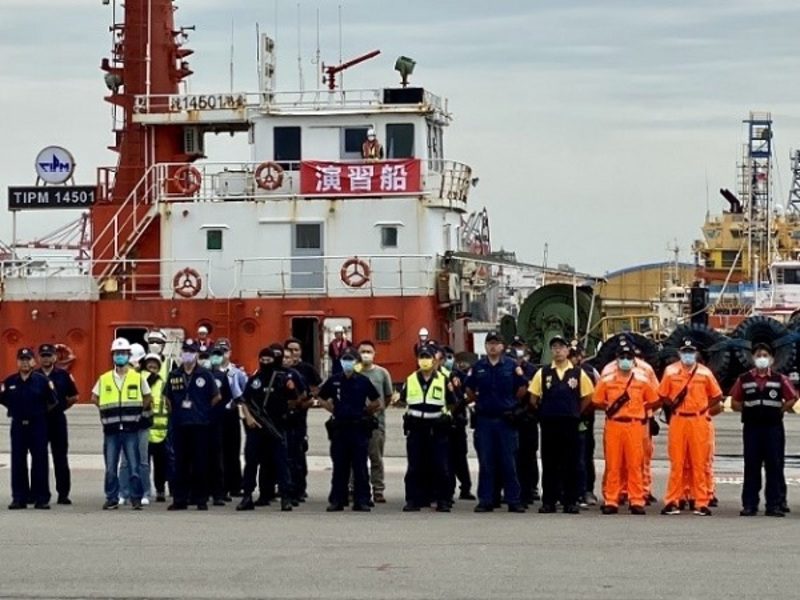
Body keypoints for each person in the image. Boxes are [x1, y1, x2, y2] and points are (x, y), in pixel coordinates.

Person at [528, 335, 594, 514]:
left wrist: (576, 411)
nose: (558, 350)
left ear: (567, 350)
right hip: (549, 423)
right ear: (551, 351)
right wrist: (542, 412)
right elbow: (533, 397)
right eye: (554, 347)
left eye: (561, 347)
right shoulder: (543, 373)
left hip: (570, 422)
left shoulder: (578, 373)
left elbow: (588, 396)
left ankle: (570, 501)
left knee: (570, 463)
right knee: (550, 463)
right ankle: (549, 500)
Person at [730, 342, 798, 516]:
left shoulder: (779, 378)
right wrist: (749, 409)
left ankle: (774, 505)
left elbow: (792, 398)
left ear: (772, 359)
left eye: (765, 355)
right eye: (758, 355)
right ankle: (750, 505)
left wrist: (779, 410)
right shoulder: (744, 379)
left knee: (774, 467)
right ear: (753, 358)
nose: (762, 358)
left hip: (773, 428)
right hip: (752, 428)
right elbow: (734, 402)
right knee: (751, 466)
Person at [465, 331, 528, 513]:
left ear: (502, 346)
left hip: (505, 420)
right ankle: (486, 499)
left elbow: (522, 388)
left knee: (509, 461)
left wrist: (511, 404)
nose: (492, 346)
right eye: (489, 343)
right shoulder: (478, 367)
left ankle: (513, 499)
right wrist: (479, 402)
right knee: (486, 461)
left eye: (496, 343)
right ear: (485, 346)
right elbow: (470, 389)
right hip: (485, 420)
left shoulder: (511, 366)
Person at [592, 342, 659, 515]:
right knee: (613, 464)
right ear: (616, 359)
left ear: (634, 361)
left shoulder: (643, 381)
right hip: (614, 424)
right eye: (622, 357)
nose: (625, 360)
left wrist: (641, 410)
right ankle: (611, 500)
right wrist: (610, 408)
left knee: (635, 464)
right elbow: (597, 400)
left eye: (629, 357)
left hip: (635, 425)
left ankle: (636, 499)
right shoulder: (607, 380)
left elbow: (654, 399)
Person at [659, 338, 723, 517]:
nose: (688, 355)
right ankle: (673, 500)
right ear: (680, 353)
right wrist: (672, 405)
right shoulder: (670, 372)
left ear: (696, 354)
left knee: (699, 463)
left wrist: (703, 407)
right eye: (685, 351)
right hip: (678, 420)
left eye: (691, 351)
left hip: (698, 420)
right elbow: (662, 394)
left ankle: (701, 501)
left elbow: (717, 396)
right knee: (677, 463)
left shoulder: (705, 373)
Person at [90, 338, 152, 510]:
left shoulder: (138, 378)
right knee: (110, 467)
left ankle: (136, 498)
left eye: (123, 354)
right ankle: (111, 497)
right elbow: (94, 397)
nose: (120, 357)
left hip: (131, 428)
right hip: (111, 429)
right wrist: (105, 409)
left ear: (128, 356)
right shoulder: (104, 379)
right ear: (113, 356)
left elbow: (147, 397)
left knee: (134, 465)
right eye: (117, 354)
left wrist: (138, 412)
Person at [237, 344, 298, 512]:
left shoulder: (283, 378)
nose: (265, 362)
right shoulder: (254, 379)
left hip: (276, 428)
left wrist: (285, 412)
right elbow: (244, 401)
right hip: (256, 428)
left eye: (268, 360)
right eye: (262, 360)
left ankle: (286, 497)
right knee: (251, 463)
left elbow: (294, 399)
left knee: (281, 463)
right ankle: (247, 496)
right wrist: (248, 418)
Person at [318, 349, 381, 512]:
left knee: (360, 466)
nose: (347, 363)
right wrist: (331, 408)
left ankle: (362, 500)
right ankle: (337, 500)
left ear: (356, 363)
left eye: (350, 360)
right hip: (340, 428)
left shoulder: (363, 381)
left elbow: (377, 402)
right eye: (345, 360)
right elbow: (320, 397)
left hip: (358, 427)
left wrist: (366, 412)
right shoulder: (334, 381)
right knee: (339, 466)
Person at [162, 339, 221, 511]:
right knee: (180, 462)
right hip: (180, 424)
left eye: (191, 351)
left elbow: (216, 396)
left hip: (200, 424)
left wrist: (202, 410)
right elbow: (167, 397)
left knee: (200, 462)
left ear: (196, 354)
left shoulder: (205, 374)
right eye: (185, 351)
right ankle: (180, 499)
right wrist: (176, 412)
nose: (188, 354)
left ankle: (200, 499)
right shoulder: (174, 375)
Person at [400, 346, 455, 512]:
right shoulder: (410, 379)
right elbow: (402, 400)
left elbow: (452, 401)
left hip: (436, 427)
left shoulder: (443, 379)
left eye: (427, 357)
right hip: (416, 426)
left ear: (434, 360)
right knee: (415, 466)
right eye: (421, 357)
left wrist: (446, 416)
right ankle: (413, 500)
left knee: (440, 465)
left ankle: (443, 500)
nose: (424, 360)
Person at [1, 348, 58, 509]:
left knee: (40, 461)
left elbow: (52, 401)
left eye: (28, 359)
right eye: (22, 359)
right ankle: (19, 497)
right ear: (17, 362)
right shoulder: (10, 381)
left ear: (33, 361)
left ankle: (41, 498)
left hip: (38, 424)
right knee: (18, 461)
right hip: (18, 424)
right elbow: (4, 400)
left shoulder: (42, 381)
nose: (25, 362)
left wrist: (37, 412)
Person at [36, 343, 79, 505]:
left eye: (49, 355)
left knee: (60, 458)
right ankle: (40, 493)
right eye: (43, 355)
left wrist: (61, 408)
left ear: (55, 357)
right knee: (39, 458)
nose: (46, 358)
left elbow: (74, 396)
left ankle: (63, 494)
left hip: (57, 420)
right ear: (39, 358)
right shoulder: (34, 375)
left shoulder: (63, 375)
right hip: (39, 421)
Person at [356, 340, 394, 504]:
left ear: (374, 353)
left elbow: (387, 396)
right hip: (356, 422)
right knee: (356, 458)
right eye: (363, 351)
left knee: (376, 457)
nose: (365, 354)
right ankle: (354, 487)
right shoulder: (354, 372)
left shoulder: (382, 373)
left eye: (369, 351)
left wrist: (378, 409)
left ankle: (378, 489)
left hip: (376, 423)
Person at [284, 338, 321, 502]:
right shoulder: (279, 370)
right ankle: (284, 485)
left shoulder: (307, 369)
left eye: (295, 350)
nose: (292, 353)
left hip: (299, 416)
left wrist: (302, 402)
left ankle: (300, 487)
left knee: (298, 452)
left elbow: (315, 390)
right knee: (283, 453)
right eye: (289, 350)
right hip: (281, 417)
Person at [119, 346, 152, 505]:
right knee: (125, 461)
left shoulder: (145, 378)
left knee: (143, 461)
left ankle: (145, 492)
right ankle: (123, 493)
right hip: (125, 425)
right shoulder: (120, 379)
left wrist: (138, 412)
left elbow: (149, 398)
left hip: (142, 424)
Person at [569, 342, 600, 507]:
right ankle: (567, 490)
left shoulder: (590, 371)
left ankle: (587, 490)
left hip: (584, 420)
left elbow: (598, 395)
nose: (575, 358)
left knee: (585, 456)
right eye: (572, 354)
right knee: (566, 457)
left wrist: (580, 411)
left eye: (577, 354)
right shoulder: (557, 370)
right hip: (566, 420)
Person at [443, 346, 475, 502]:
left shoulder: (460, 376)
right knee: (446, 459)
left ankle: (465, 488)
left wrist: (460, 403)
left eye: (450, 356)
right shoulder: (439, 376)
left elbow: (468, 395)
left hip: (458, 421)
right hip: (443, 423)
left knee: (460, 458)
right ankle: (447, 490)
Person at [510, 336, 539, 507]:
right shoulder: (507, 368)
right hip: (511, 416)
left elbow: (535, 393)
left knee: (529, 456)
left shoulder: (533, 370)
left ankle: (531, 488)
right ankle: (513, 489)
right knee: (512, 456)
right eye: (515, 347)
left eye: (520, 346)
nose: (518, 350)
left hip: (528, 417)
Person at [216, 338, 246, 498]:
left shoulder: (237, 372)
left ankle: (235, 485)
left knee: (233, 450)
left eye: (225, 351)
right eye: (219, 352)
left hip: (232, 413)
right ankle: (221, 486)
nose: (223, 355)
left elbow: (244, 390)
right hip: (217, 413)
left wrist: (237, 402)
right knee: (218, 450)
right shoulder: (211, 372)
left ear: (230, 352)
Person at [208, 344, 235, 506]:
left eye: (219, 355)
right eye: (214, 355)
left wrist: (221, 409)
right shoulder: (202, 374)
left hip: (218, 421)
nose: (216, 358)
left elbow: (227, 397)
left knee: (219, 458)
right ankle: (201, 491)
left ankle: (219, 492)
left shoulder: (222, 376)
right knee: (201, 458)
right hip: (202, 420)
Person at [143, 354, 169, 502]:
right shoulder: (141, 382)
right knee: (144, 464)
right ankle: (144, 490)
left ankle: (160, 490)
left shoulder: (163, 383)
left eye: (155, 367)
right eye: (149, 366)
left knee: (161, 465)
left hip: (161, 431)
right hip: (144, 431)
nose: (152, 369)